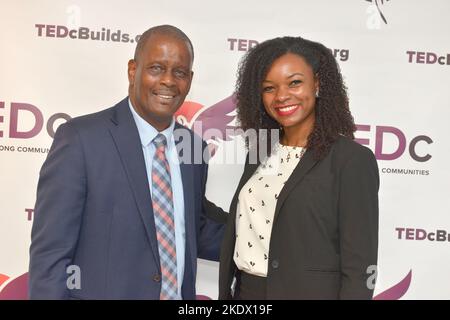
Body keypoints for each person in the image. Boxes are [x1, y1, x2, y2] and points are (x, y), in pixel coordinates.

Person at [29, 25, 224, 300]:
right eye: (156, 68)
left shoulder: (193, 147)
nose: (168, 81)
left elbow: (187, 225)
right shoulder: (81, 140)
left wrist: (276, 238)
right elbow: (50, 257)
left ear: (189, 79)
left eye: (179, 72)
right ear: (133, 70)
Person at [217, 36, 379, 299]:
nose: (281, 96)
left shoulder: (351, 160)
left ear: (317, 83)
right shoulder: (261, 150)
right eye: (269, 88)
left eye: (294, 82)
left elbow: (360, 268)